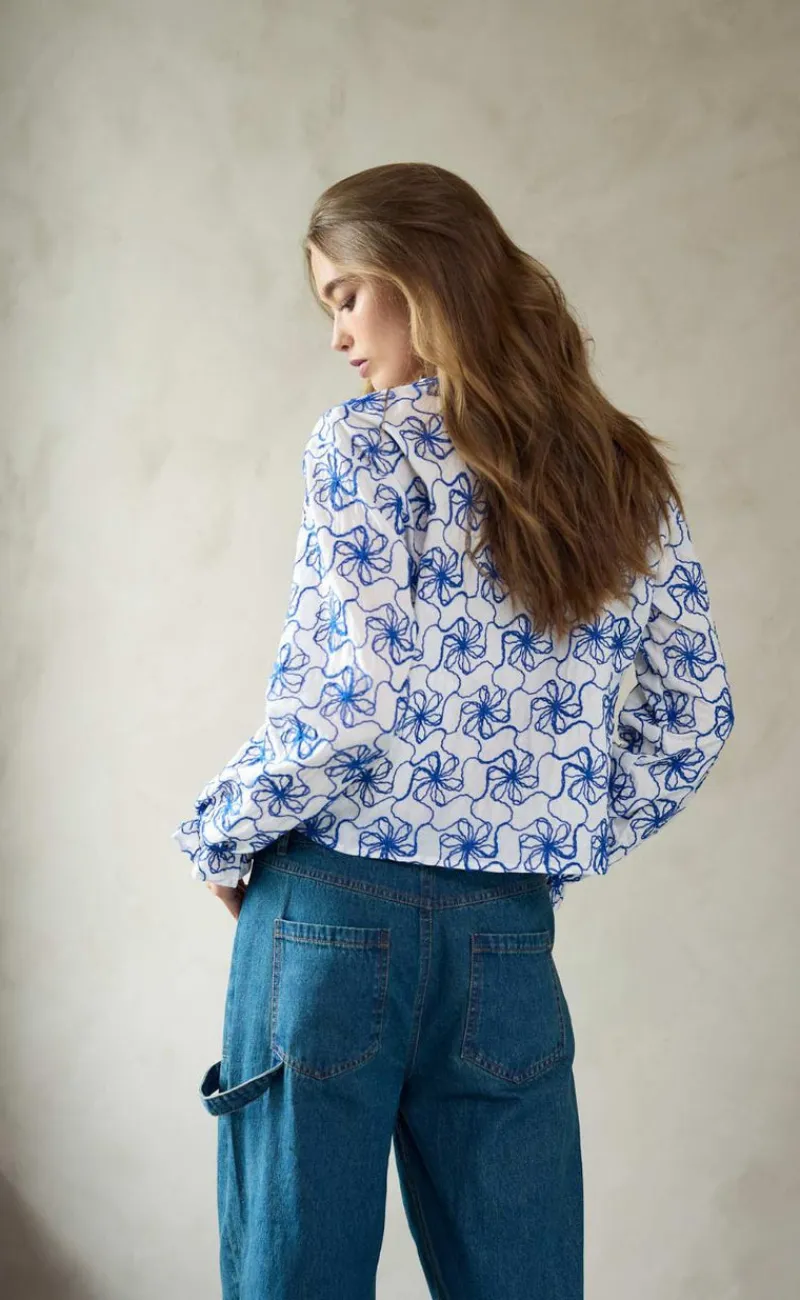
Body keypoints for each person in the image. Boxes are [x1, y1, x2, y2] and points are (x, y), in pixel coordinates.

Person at [172, 162, 735, 1299]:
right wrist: (543, 832)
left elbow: (351, 701)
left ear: (419, 276)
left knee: (296, 1279)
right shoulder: (620, 467)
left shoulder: (363, 446)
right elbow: (694, 715)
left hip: (330, 914)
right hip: (501, 936)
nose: (337, 334)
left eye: (345, 296)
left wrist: (218, 834)